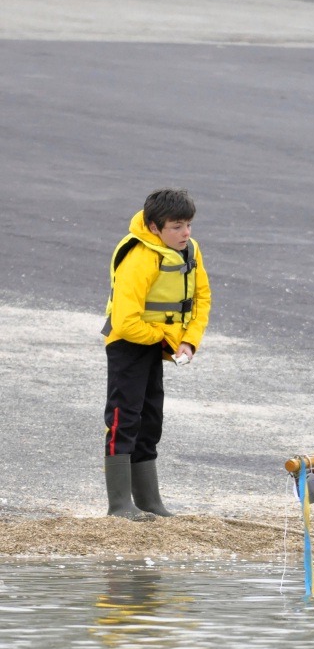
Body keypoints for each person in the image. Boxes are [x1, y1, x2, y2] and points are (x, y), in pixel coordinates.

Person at [101, 189, 212, 519]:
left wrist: (188, 341)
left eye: (188, 224)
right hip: (129, 345)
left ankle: (149, 501)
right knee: (124, 419)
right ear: (154, 227)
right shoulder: (139, 259)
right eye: (176, 226)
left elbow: (202, 299)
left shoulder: (190, 251)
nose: (186, 233)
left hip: (156, 345)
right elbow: (124, 321)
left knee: (150, 420)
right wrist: (164, 339)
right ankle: (120, 505)